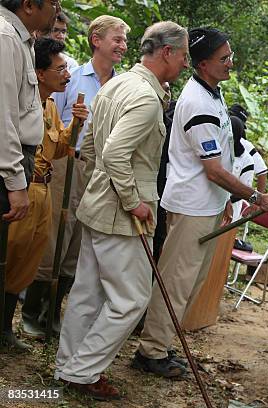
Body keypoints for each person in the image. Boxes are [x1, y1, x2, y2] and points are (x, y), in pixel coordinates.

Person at [132, 27, 268, 377]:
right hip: (191, 207)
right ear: (203, 64)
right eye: (224, 58)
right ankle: (150, 351)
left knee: (190, 281)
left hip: (209, 206)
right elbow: (213, 169)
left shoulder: (212, 93)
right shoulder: (198, 103)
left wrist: (229, 202)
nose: (231, 63)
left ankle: (164, 345)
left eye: (230, 56)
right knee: (175, 280)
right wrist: (257, 198)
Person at [54, 21, 189, 400]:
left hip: (100, 204)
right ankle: (81, 371)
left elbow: (94, 148)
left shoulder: (116, 84)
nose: (183, 64)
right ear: (166, 52)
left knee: (88, 293)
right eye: (183, 56)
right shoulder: (145, 97)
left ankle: (69, 366)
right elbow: (113, 153)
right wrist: (134, 203)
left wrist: (102, 188)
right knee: (130, 300)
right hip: (123, 213)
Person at [22, 15, 130, 337]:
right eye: (117, 39)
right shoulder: (73, 77)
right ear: (96, 40)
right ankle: (32, 309)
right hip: (69, 164)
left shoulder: (122, 85)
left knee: (80, 240)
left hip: (103, 170)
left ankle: (54, 311)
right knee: (56, 234)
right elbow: (50, 123)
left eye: (125, 41)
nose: (122, 46)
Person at [6, 38, 87, 346]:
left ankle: (6, 330)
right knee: (12, 253)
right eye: (61, 68)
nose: (67, 75)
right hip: (24, 188)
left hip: (43, 190)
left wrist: (76, 125)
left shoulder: (51, 106)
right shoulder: (23, 105)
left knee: (28, 258)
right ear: (40, 73)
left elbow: (59, 148)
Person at [0, 0, 59, 349]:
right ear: (28, 5)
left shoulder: (22, 38)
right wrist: (15, 180)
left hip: (20, 157)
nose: (57, 9)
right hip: (11, 160)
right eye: (52, 2)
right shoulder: (6, 37)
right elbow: (4, 116)